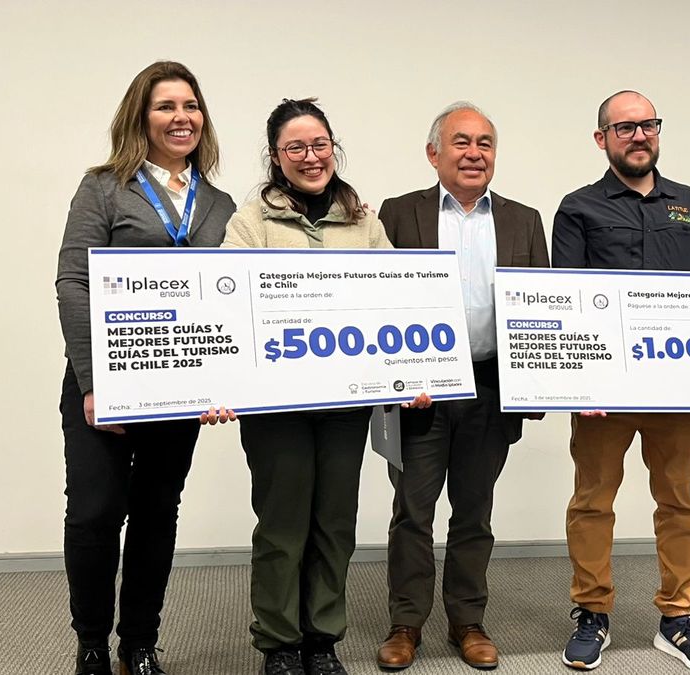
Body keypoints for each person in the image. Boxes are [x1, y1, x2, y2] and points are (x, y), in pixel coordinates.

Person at [221, 98, 429, 675]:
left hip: (345, 403)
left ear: (334, 149)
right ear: (275, 156)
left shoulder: (364, 221)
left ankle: (322, 637)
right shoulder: (250, 222)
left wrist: (413, 374)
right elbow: (228, 308)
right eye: (296, 148)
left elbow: (397, 300)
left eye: (320, 146)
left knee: (335, 523)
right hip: (277, 406)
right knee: (283, 525)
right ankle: (279, 643)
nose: (311, 158)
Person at [55, 61, 236, 675]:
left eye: (191, 106)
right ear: (142, 115)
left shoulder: (220, 202)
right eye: (166, 106)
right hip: (103, 385)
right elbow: (74, 281)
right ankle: (91, 644)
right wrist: (93, 383)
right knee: (96, 512)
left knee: (157, 513)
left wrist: (222, 383)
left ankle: (139, 643)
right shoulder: (105, 186)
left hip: (180, 387)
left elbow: (235, 296)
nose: (180, 117)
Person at [552, 90, 690, 675]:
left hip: (676, 390)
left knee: (679, 502)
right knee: (592, 503)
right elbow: (567, 302)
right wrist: (584, 387)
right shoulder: (577, 208)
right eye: (624, 127)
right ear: (601, 138)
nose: (639, 135)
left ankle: (679, 617)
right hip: (604, 396)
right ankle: (591, 613)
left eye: (648, 125)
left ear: (658, 132)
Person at [374, 101, 549, 671]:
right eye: (461, 142)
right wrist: (392, 378)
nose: (474, 153)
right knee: (412, 511)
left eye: (485, 143)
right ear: (434, 153)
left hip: (491, 388)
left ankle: (467, 620)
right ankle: (407, 623)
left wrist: (543, 389)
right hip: (419, 392)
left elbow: (544, 313)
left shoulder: (525, 220)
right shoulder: (397, 214)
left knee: (474, 511)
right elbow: (376, 304)